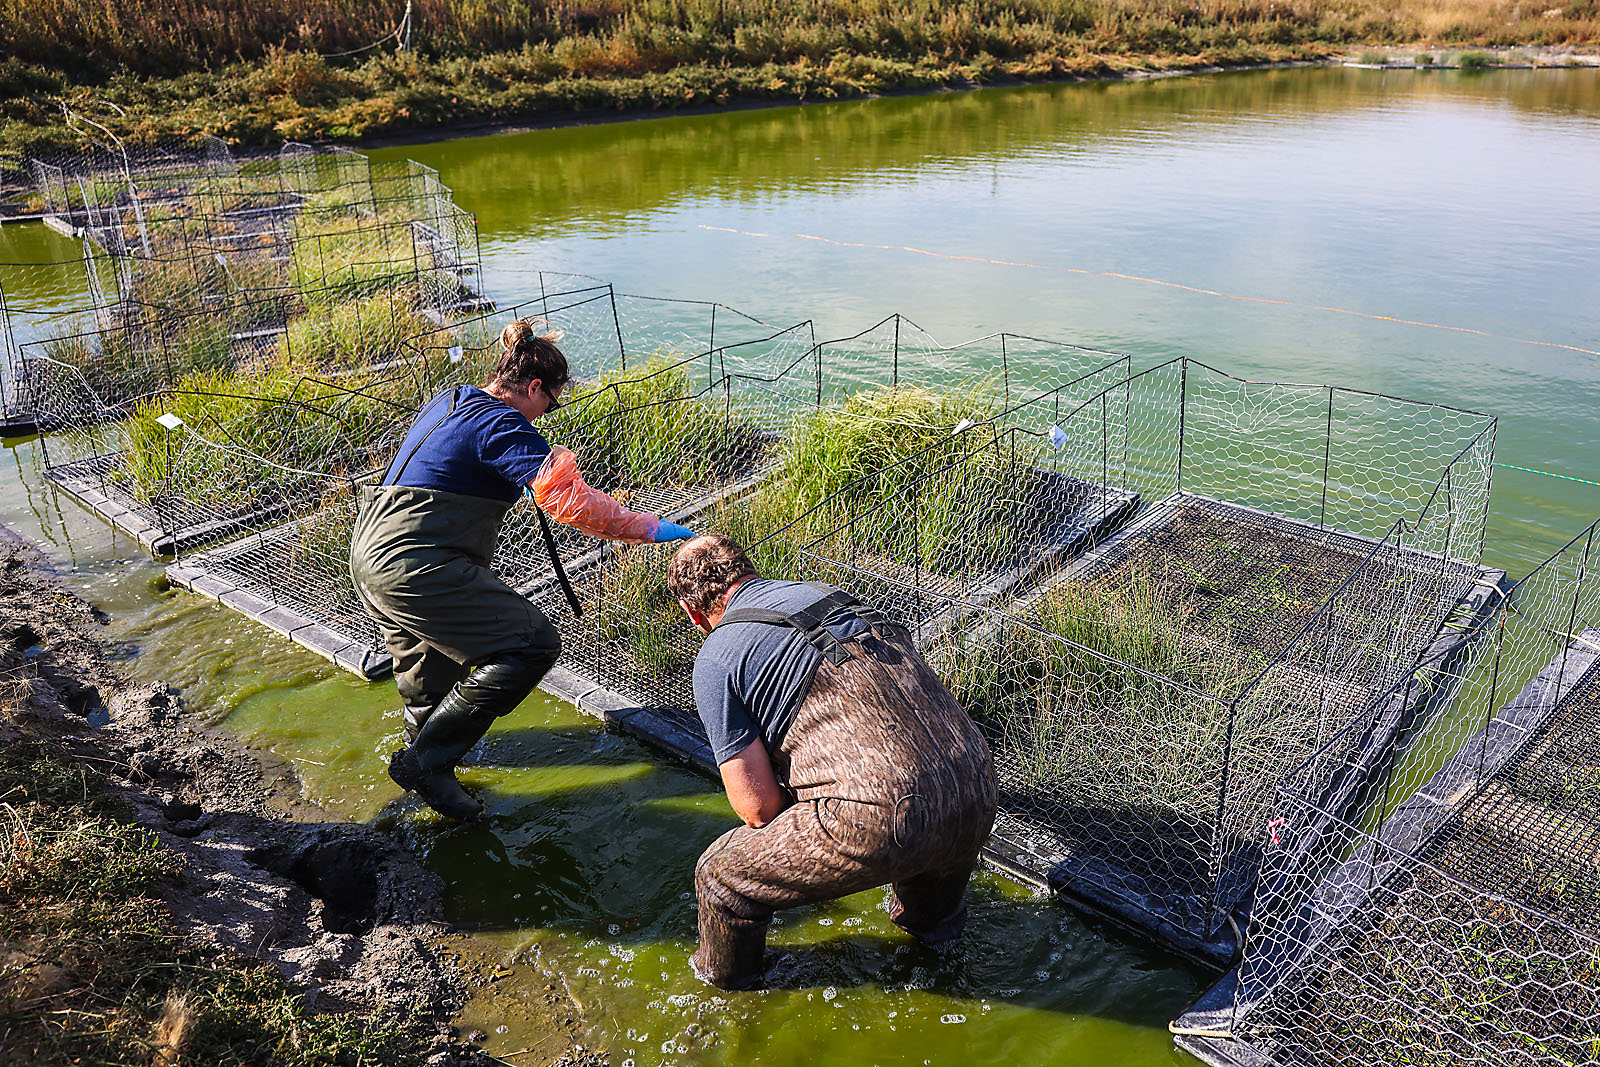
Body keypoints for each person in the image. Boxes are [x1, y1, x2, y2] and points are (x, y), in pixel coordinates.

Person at [349, 318, 692, 821]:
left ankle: (428, 769)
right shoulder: (500, 423)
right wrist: (653, 529)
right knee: (531, 644)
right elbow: (572, 502)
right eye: (548, 404)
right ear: (534, 388)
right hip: (416, 564)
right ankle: (426, 765)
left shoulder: (452, 400)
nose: (543, 417)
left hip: (370, 553)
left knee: (429, 674)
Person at [666, 534, 998, 989]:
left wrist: (811, 846)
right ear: (751, 570)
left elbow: (756, 808)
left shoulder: (717, 656)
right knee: (936, 938)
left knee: (721, 877)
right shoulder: (829, 594)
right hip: (978, 786)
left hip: (880, 816)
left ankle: (729, 994)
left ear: (693, 612)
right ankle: (940, 956)